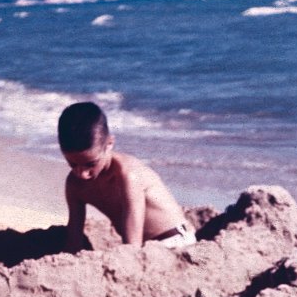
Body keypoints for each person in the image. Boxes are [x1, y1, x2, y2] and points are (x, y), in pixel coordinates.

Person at [57, 102, 196, 252]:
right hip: (145, 248)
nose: (82, 173)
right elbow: (74, 241)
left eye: (91, 164)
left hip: (175, 241)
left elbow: (131, 246)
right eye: (72, 163)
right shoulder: (74, 185)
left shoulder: (128, 175)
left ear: (109, 143)